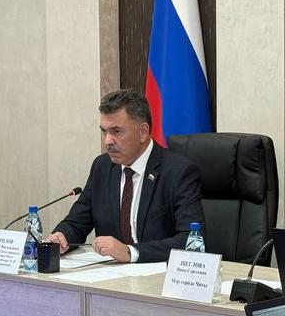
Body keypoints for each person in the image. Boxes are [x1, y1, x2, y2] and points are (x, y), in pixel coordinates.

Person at [47, 89, 205, 264]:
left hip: (158, 275)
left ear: (143, 132)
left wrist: (131, 252)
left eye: (116, 132)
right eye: (104, 131)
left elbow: (191, 240)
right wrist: (61, 236)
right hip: (111, 275)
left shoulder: (178, 172)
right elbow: (77, 223)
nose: (107, 141)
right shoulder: (102, 167)